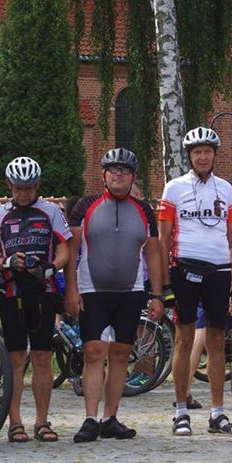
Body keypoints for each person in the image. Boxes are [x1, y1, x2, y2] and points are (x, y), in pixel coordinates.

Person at [64, 148, 164, 442]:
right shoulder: (85, 206)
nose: (119, 174)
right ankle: (90, 418)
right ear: (103, 175)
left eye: (125, 170)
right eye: (114, 170)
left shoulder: (144, 210)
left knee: (120, 354)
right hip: (92, 289)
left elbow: (154, 253)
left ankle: (110, 417)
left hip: (130, 291)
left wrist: (158, 295)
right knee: (94, 351)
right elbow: (71, 250)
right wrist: (71, 289)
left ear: (133, 177)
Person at [158, 126, 232, 436]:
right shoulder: (174, 188)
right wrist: (164, 284)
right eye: (197, 152)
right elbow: (163, 239)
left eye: (208, 151)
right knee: (184, 339)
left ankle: (217, 413)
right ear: (190, 156)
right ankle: (181, 411)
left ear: (214, 155)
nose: (203, 157)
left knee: (217, 342)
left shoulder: (226, 189)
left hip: (219, 271)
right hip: (184, 269)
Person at [0, 156, 70, 442]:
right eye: (18, 188)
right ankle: (14, 422)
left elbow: (65, 249)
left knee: (42, 358)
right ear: (9, 185)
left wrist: (51, 268)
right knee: (15, 359)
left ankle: (42, 421)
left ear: (37, 185)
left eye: (29, 188)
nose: (23, 193)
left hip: (44, 292)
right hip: (11, 293)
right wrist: (5, 263)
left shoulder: (51, 211)